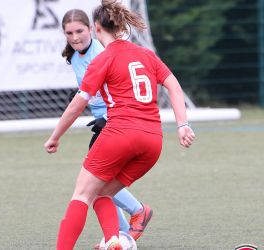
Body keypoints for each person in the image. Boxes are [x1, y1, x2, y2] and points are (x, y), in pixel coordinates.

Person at [44, 1, 195, 249]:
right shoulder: (146, 54)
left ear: (96, 28)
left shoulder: (104, 58)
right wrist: (182, 125)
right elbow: (174, 85)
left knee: (81, 194)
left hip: (120, 133)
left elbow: (77, 105)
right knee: (103, 193)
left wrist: (55, 136)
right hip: (152, 142)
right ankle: (115, 240)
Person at [61, 8, 153, 246]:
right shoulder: (74, 54)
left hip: (116, 121)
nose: (75, 37)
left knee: (94, 185)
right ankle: (119, 236)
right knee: (100, 185)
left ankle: (137, 213)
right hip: (104, 119)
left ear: (92, 29)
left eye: (79, 31)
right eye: (69, 32)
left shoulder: (102, 51)